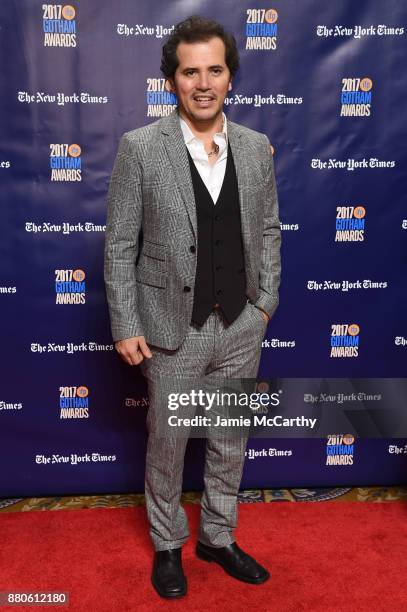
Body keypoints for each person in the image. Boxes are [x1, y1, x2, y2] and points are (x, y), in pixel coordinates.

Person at [104, 15, 281, 599]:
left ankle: (218, 537)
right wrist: (126, 323)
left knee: (230, 438)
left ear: (230, 77)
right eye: (189, 72)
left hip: (239, 324)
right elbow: (121, 243)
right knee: (168, 441)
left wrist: (264, 304)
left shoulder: (256, 148)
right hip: (170, 329)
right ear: (171, 80)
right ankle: (168, 545)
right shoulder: (140, 148)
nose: (202, 83)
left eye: (214, 69)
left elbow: (270, 230)